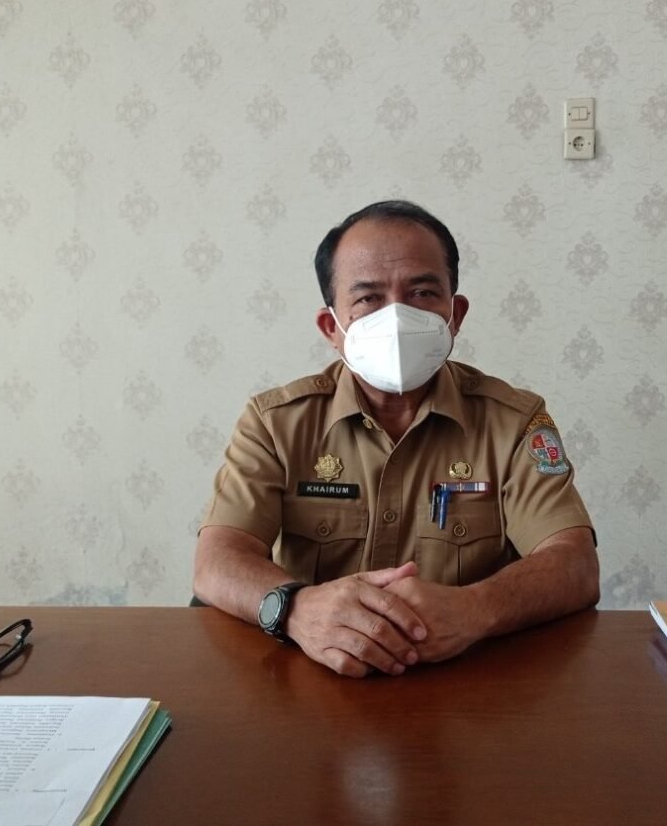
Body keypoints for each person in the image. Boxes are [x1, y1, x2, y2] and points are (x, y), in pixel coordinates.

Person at [194, 200, 599, 677]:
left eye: (422, 293)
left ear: (455, 314)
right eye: (368, 298)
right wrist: (297, 609)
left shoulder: (513, 422)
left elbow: (574, 564)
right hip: (312, 679)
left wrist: (476, 608)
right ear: (331, 328)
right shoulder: (275, 423)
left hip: (471, 684)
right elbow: (217, 561)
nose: (397, 317)